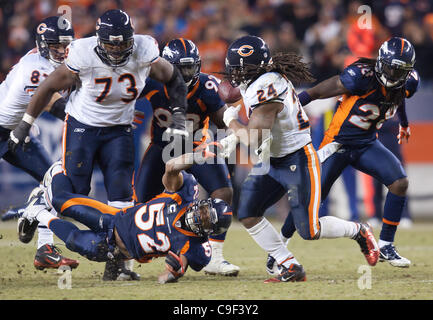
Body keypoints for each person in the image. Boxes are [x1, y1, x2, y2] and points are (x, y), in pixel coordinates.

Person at [8, 9, 190, 280]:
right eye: (110, 43)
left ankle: (118, 268)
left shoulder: (145, 48)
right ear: (98, 40)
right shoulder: (82, 52)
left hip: (119, 130)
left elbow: (174, 78)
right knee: (74, 194)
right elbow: (47, 87)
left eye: (122, 42)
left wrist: (178, 115)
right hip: (83, 127)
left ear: (132, 38)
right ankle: (41, 202)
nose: (117, 49)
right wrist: (24, 125)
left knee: (122, 195)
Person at [218, 35, 379, 283]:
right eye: (234, 68)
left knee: (309, 230)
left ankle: (359, 230)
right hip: (272, 159)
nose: (236, 75)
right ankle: (289, 264)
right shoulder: (260, 78)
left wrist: (231, 122)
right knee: (248, 212)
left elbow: (252, 139)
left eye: (241, 69)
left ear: (255, 68)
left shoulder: (267, 89)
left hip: (297, 159)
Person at [282, 37, 418, 268]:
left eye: (400, 71)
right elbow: (315, 92)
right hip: (337, 144)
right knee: (308, 201)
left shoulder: (409, 82)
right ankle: (279, 248)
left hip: (366, 144)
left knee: (399, 183)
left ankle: (385, 245)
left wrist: (403, 123)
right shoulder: (360, 77)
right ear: (381, 63)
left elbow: (399, 95)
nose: (395, 75)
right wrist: (287, 109)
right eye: (391, 68)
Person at [17, 151, 233, 283]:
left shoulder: (196, 246)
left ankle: (37, 211)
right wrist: (196, 157)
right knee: (62, 201)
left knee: (75, 242)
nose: (199, 218)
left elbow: (179, 265)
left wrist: (173, 273)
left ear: (208, 232)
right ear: (202, 203)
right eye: (204, 212)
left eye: (205, 221)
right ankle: (59, 168)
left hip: (117, 251)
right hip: (113, 218)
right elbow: (171, 168)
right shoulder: (183, 195)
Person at [134, 38, 239, 276]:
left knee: (223, 192)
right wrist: (125, 110)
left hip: (195, 147)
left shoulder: (206, 86)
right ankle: (127, 256)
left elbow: (223, 119)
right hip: (162, 147)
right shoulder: (151, 80)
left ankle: (215, 257)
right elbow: (124, 92)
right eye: (180, 69)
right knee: (140, 202)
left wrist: (231, 131)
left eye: (190, 67)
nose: (186, 73)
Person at [0, 16, 78, 270]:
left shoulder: (65, 60)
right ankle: (30, 211)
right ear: (43, 44)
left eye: (65, 44)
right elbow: (59, 108)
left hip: (19, 131)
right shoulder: (35, 68)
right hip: (7, 127)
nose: (61, 50)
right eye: (55, 45)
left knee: (56, 184)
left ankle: (44, 248)